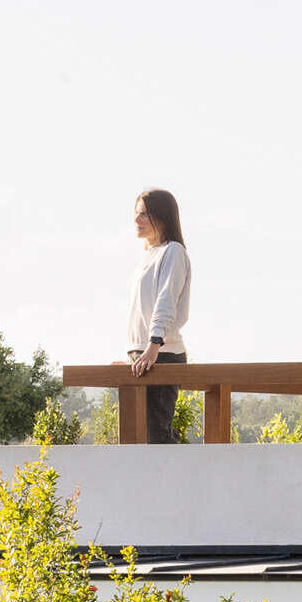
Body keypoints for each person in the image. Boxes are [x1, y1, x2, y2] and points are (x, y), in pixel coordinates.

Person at [124, 188, 192, 442]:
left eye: (143, 214)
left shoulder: (173, 251)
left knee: (157, 437)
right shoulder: (147, 256)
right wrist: (133, 351)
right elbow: (141, 309)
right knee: (139, 436)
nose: (136, 220)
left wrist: (153, 346)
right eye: (136, 214)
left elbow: (165, 301)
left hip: (161, 354)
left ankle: (184, 481)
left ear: (161, 216)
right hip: (143, 353)